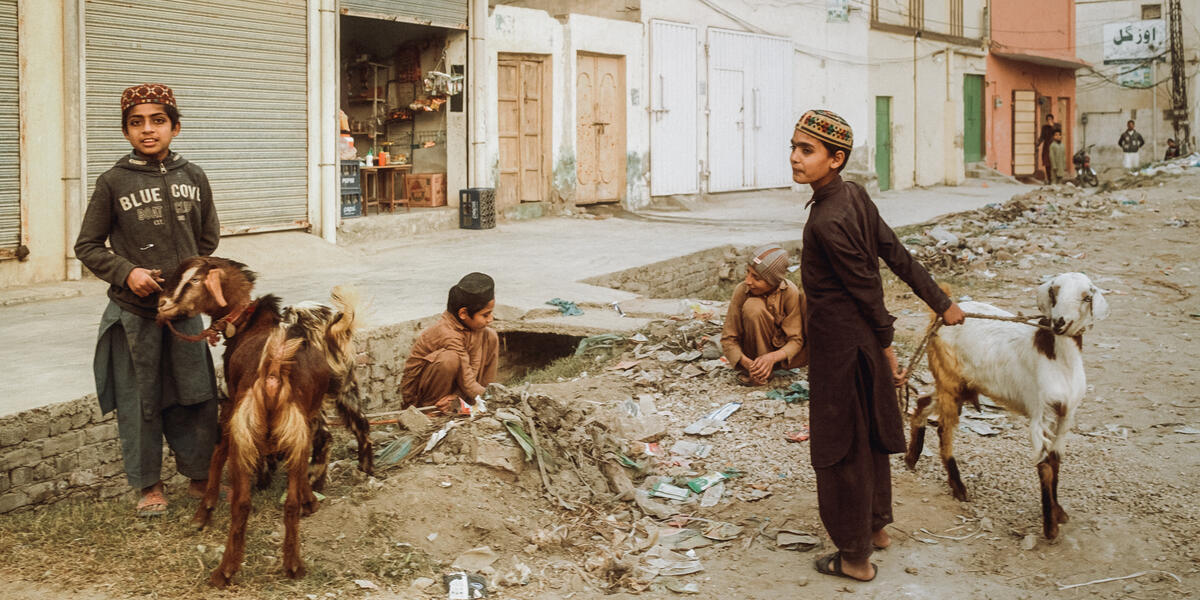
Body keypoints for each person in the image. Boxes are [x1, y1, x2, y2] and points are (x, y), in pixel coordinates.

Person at [790, 109, 965, 582]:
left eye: (806, 150)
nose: (795, 158)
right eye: (794, 147)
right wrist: (941, 301)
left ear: (835, 158)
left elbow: (868, 287)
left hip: (842, 350)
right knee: (867, 435)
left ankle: (853, 557)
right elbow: (895, 251)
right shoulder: (853, 196)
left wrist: (887, 350)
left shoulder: (827, 218)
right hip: (858, 342)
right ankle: (876, 527)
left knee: (841, 445)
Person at [74, 83, 221, 517]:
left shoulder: (193, 176)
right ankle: (149, 486)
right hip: (133, 314)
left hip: (183, 312)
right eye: (136, 123)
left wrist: (193, 283)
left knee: (196, 393)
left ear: (176, 126)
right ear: (126, 132)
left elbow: (208, 238)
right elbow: (87, 246)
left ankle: (200, 477)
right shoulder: (113, 182)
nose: (148, 130)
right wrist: (128, 272)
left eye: (158, 120)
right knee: (140, 399)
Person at [401, 272, 499, 412]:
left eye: (490, 313)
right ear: (463, 314)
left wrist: (458, 396)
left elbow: (473, 368)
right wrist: (498, 399)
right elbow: (467, 382)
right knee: (449, 358)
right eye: (485, 315)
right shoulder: (447, 333)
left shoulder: (473, 326)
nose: (490, 319)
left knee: (491, 336)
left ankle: (482, 401)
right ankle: (432, 411)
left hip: (462, 387)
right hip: (420, 399)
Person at [720, 244, 808, 386]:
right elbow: (728, 339)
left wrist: (772, 358)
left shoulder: (789, 291)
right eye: (747, 273)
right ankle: (760, 373)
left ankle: (771, 369)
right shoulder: (742, 290)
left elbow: (796, 340)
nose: (748, 281)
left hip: (781, 359)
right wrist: (750, 365)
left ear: (773, 281)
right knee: (753, 307)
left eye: (756, 278)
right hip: (752, 357)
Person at [1038, 113, 1057, 182]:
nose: (1049, 120)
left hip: (1054, 147)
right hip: (1046, 147)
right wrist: (1038, 144)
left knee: (1054, 164)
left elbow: (1057, 136)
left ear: (1052, 120)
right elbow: (1042, 137)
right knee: (1047, 164)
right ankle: (1049, 179)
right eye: (1048, 119)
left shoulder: (1056, 126)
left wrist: (1052, 127)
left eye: (1050, 119)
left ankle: (1054, 179)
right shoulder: (1044, 127)